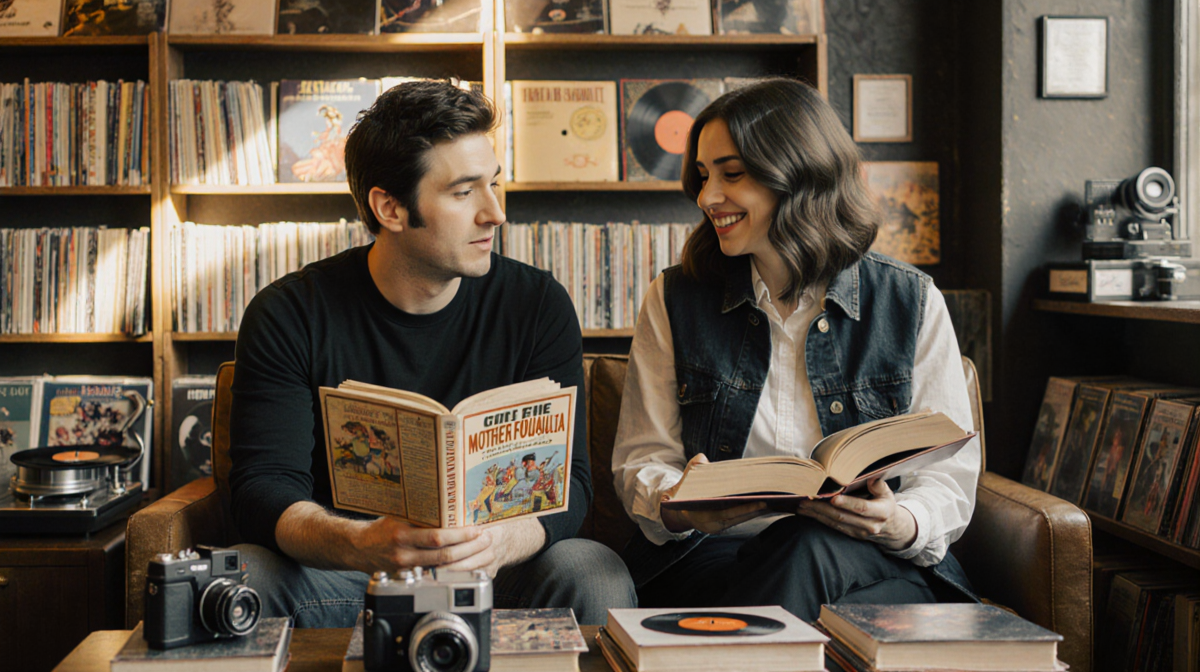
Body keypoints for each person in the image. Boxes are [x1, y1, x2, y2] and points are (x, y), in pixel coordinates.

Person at [227, 79, 635, 627]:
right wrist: (360, 543)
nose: (495, 213)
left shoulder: (537, 304)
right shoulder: (290, 313)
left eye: (493, 184)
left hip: (496, 571)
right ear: (390, 208)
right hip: (355, 573)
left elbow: (572, 484)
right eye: (464, 193)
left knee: (592, 569)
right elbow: (263, 489)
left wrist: (498, 542)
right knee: (248, 573)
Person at [611, 77, 981, 622]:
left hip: (870, 557)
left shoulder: (910, 300)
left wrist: (898, 521)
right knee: (806, 571)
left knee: (806, 546)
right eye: (705, 175)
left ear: (799, 174)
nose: (707, 197)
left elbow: (949, 477)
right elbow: (642, 460)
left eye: (732, 174)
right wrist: (683, 505)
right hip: (717, 557)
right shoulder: (675, 298)